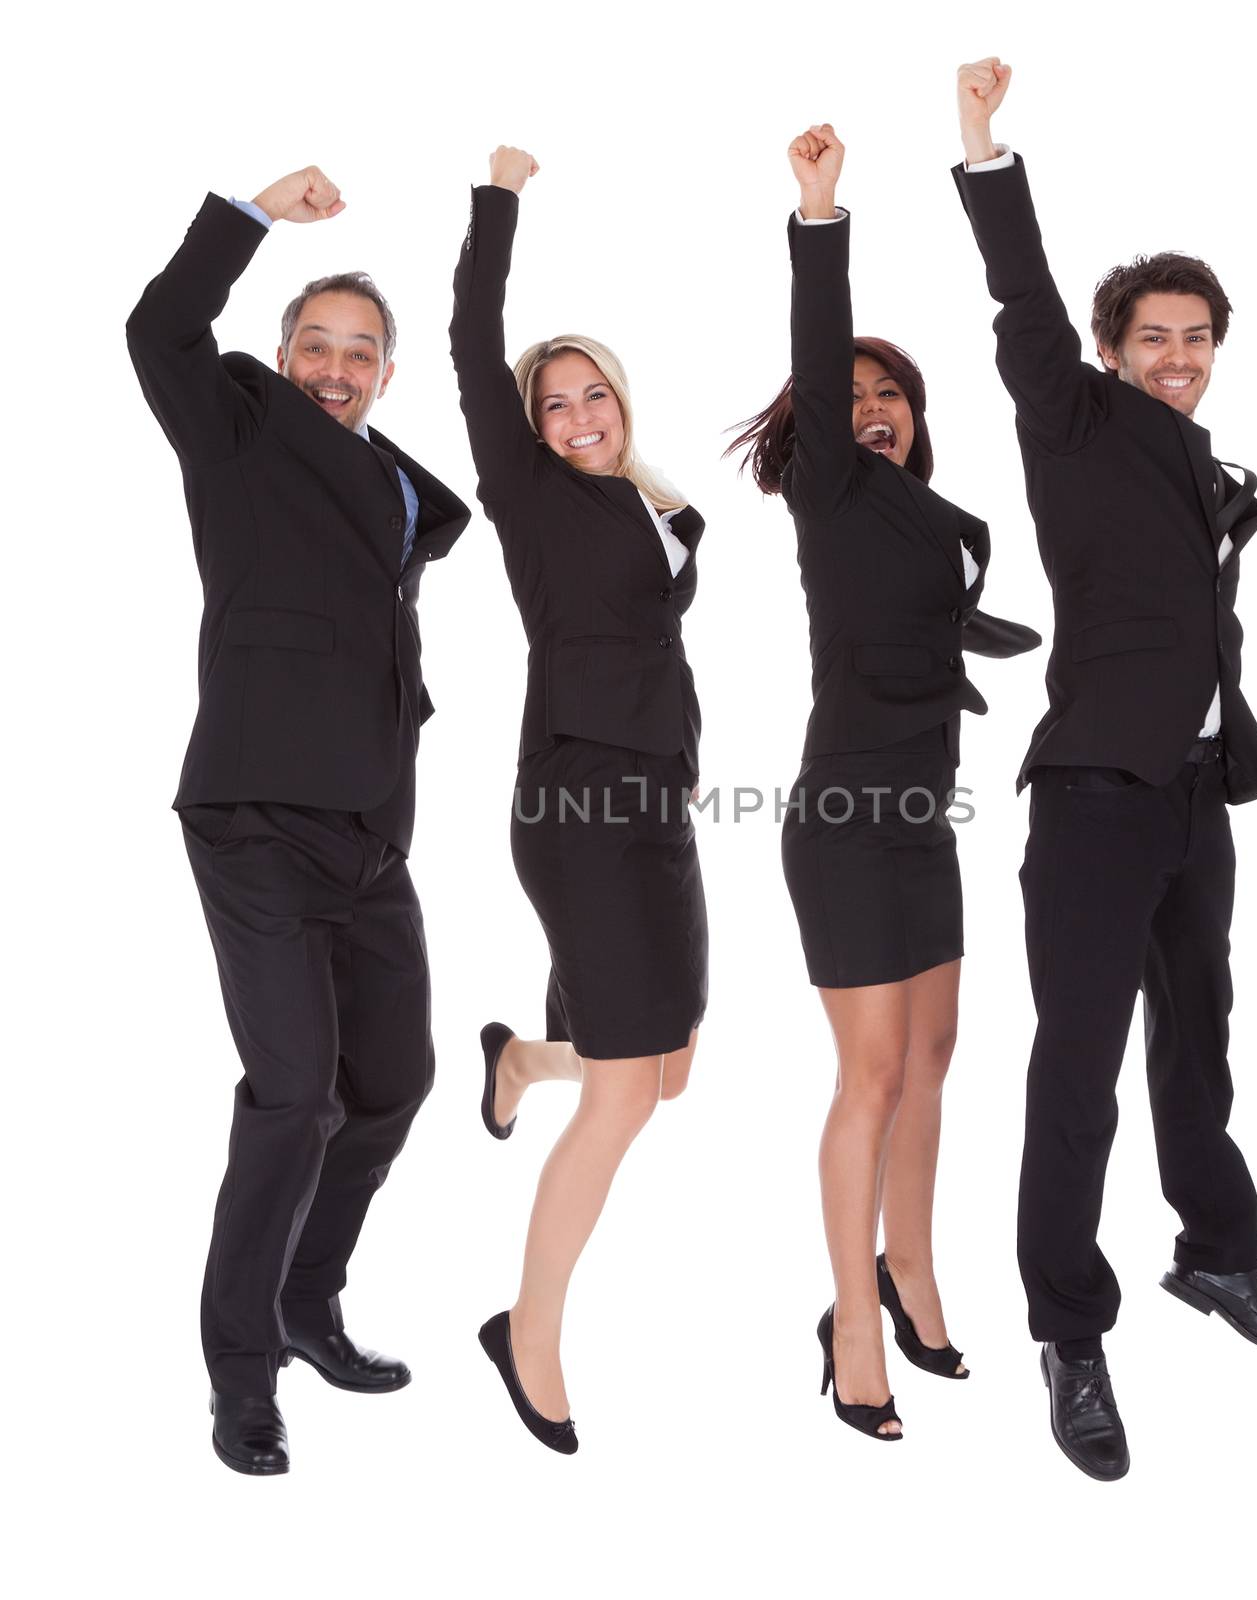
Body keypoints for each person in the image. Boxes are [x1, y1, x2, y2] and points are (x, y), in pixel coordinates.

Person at [951, 59, 1257, 1481]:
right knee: (1078, 1075)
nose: (1176, 352)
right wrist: (984, 149)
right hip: (1095, 795)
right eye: (1153, 334)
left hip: (1189, 796)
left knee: (1199, 1045)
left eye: (1196, 336)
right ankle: (1067, 1330)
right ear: (1110, 349)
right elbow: (1020, 298)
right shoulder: (1077, 418)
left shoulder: (1197, 453)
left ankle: (1214, 1255)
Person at [126, 166, 469, 1475]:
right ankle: (241, 1373)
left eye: (359, 354)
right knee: (291, 1096)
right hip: (256, 815)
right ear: (280, 357)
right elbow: (159, 330)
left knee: (390, 1083)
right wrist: (248, 218)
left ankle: (304, 1298)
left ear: (385, 373)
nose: (336, 368)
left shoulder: (391, 488)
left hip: (371, 830)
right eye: (316, 346)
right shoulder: (239, 434)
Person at [730, 125, 1038, 1441]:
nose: (870, 405)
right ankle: (849, 1322)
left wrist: (982, 636)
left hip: (921, 823)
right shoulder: (835, 495)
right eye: (848, 394)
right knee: (866, 1076)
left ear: (918, 418)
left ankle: (911, 1266)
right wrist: (817, 213)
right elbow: (819, 356)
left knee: (934, 1056)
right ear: (820, 428)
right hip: (845, 823)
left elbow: (910, 620)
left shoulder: (924, 520)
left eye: (890, 394)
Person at [449, 146, 707, 1455]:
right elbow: (466, 334)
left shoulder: (655, 508)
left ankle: (514, 1059)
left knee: (660, 1071)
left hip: (658, 806)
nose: (579, 413)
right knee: (619, 1096)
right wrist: (498, 200)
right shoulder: (530, 496)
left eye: (593, 392)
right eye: (554, 403)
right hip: (576, 804)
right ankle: (527, 1330)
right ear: (531, 424)